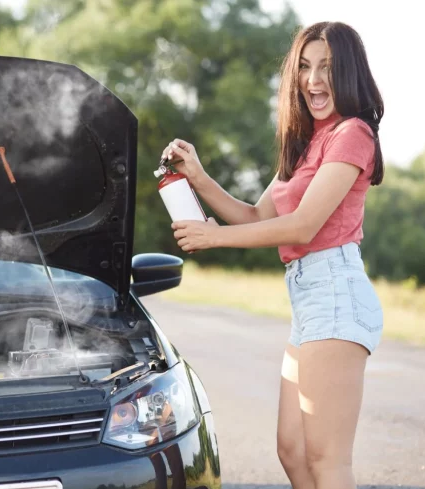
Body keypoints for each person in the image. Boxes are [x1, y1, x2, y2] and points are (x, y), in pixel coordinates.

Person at [160, 21, 384, 489]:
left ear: (348, 73)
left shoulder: (353, 133)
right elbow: (254, 215)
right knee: (292, 450)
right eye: (304, 67)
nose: (314, 80)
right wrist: (198, 177)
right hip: (309, 300)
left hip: (336, 294)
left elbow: (304, 225)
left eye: (327, 67)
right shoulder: (305, 145)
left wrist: (211, 238)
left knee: (326, 459)